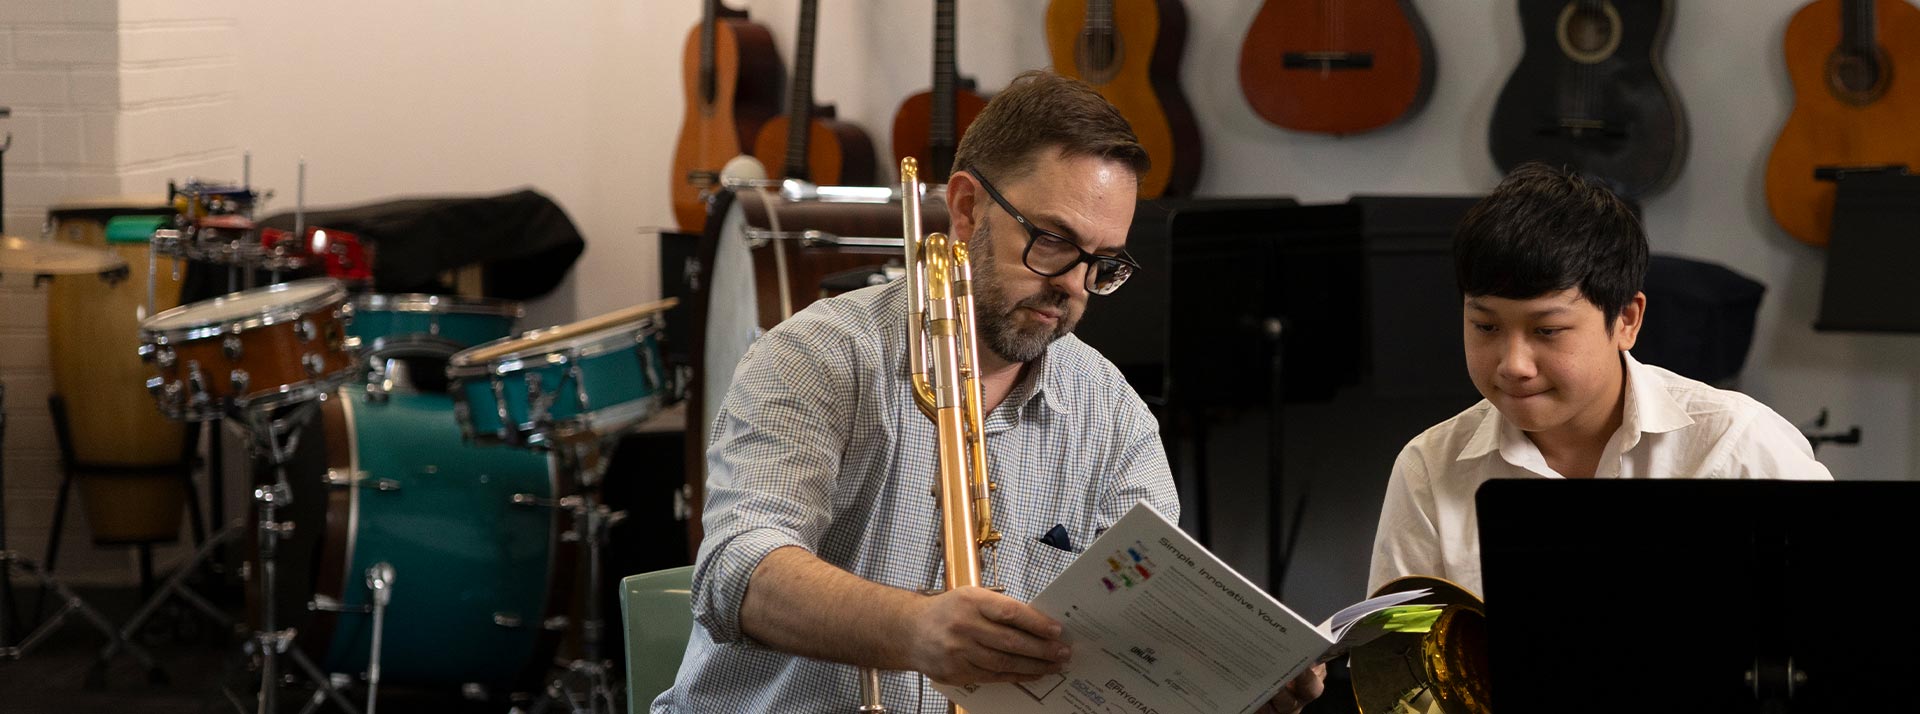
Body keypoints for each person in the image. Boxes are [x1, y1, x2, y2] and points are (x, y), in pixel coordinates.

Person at [655, 70, 1325, 713]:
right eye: (1053, 241)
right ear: (968, 209)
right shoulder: (818, 355)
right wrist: (913, 629)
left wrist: (1224, 682)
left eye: (1102, 263)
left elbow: (1148, 617)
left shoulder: (1112, 412)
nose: (1073, 286)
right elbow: (736, 571)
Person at [1367, 162, 1835, 597]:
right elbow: (1399, 650)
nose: (1514, 364)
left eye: (1547, 330)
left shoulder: (1737, 444)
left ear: (1627, 320)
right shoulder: (1429, 466)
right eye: (1486, 327)